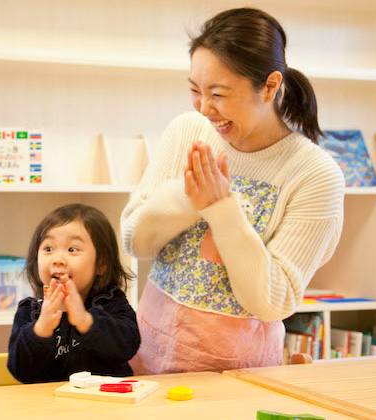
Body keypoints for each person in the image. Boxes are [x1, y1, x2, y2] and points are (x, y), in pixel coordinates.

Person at [121, 8, 345, 374]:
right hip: (147, 356)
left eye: (219, 94)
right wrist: (186, 199)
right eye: (195, 90)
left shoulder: (315, 173)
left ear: (270, 86)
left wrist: (222, 209)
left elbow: (273, 302)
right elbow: (135, 241)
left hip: (240, 374)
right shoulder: (187, 131)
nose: (205, 108)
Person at [8, 203, 140, 383]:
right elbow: (20, 371)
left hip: (105, 403)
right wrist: (41, 329)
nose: (58, 259)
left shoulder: (111, 301)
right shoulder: (30, 311)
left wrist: (85, 320)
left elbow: (128, 346)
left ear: (101, 263)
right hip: (49, 405)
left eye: (72, 249)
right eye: (48, 249)